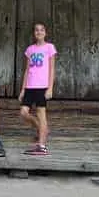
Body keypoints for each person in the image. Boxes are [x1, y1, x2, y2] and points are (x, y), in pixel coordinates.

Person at [18, 22, 57, 155]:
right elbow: (27, 70)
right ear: (34, 33)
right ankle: (41, 129)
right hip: (30, 86)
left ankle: (41, 146)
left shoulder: (49, 48)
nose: (39, 32)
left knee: (41, 114)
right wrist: (23, 89)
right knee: (23, 112)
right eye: (36, 30)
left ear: (45, 33)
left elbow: (52, 69)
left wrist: (50, 88)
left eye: (41, 30)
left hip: (42, 87)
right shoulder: (30, 50)